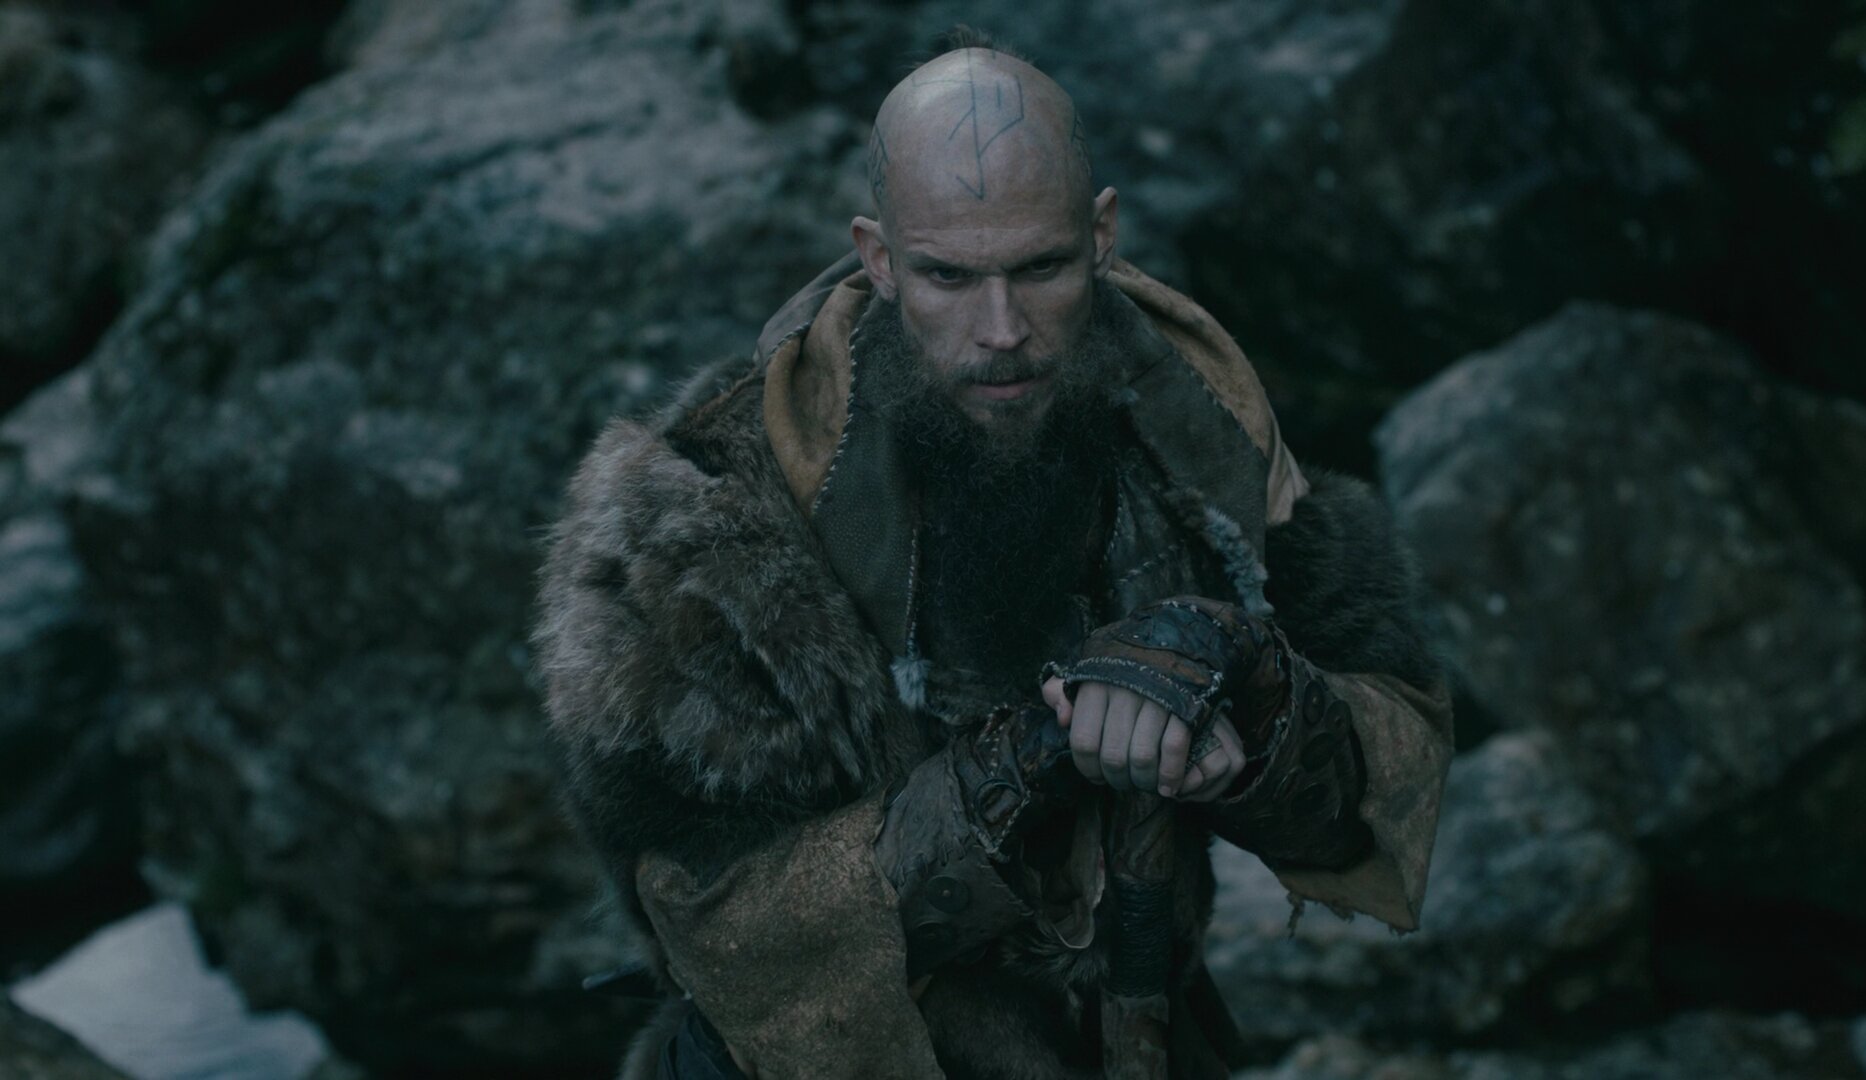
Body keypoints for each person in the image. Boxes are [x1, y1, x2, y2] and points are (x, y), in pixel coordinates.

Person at [534, 31, 1452, 1080]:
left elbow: (1384, 774)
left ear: (1100, 234)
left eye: (1041, 267)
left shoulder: (1199, 432)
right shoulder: (705, 514)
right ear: (880, 258)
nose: (1002, 327)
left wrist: (1239, 686)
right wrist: (1030, 762)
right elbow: (714, 926)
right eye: (948, 276)